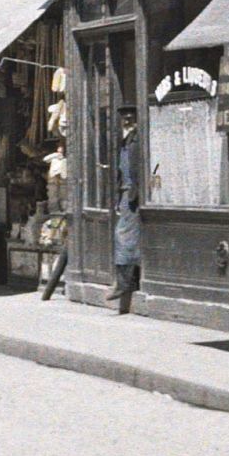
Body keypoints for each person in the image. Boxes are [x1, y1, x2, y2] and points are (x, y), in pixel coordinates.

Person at [106, 108, 141, 313]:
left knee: (123, 235)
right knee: (126, 236)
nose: (127, 121)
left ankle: (124, 283)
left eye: (131, 118)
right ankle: (127, 280)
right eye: (124, 118)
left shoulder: (137, 140)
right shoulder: (125, 141)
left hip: (133, 194)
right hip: (126, 194)